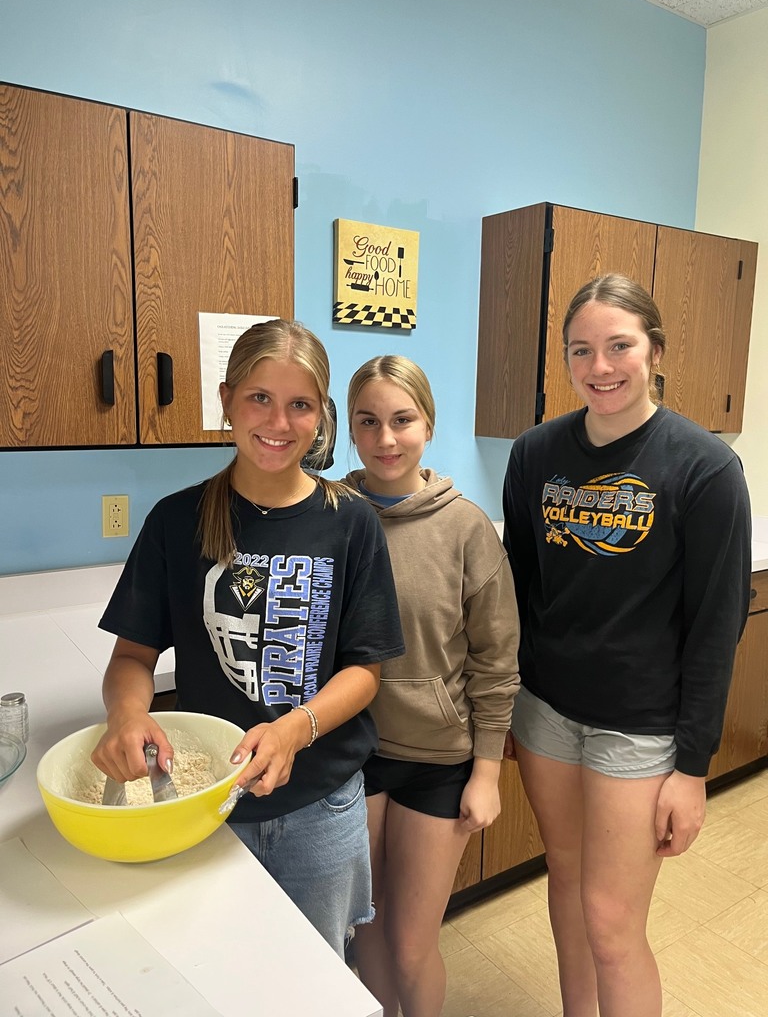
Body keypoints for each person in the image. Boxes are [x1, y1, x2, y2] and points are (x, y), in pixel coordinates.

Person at [91, 319, 405, 957]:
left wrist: (296, 727)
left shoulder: (352, 524)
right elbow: (131, 655)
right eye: (260, 397)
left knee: (314, 976)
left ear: (321, 417)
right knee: (218, 969)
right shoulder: (177, 520)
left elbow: (366, 670)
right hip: (208, 803)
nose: (278, 422)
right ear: (227, 399)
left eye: (300, 405)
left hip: (322, 805)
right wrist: (126, 715)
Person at [502, 273, 752, 1017]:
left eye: (620, 346)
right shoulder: (535, 453)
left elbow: (717, 626)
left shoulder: (705, 468)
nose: (600, 366)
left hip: (639, 728)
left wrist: (692, 768)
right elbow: (523, 588)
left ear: (655, 351)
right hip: (546, 712)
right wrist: (506, 708)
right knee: (567, 883)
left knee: (613, 922)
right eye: (582, 350)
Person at [344, 355, 520, 1017]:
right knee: (366, 933)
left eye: (402, 420)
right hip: (352, 756)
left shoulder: (465, 527)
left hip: (439, 761)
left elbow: (496, 658)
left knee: (412, 944)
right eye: (369, 422)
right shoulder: (331, 516)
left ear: (429, 424)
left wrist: (486, 772)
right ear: (350, 430)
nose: (386, 439)